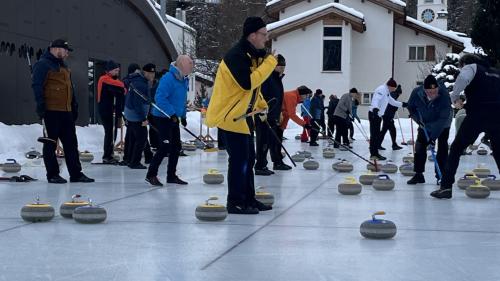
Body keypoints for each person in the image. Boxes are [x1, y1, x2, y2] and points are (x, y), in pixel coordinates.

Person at [206, 16, 276, 214]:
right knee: (239, 161)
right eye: (264, 34)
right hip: (230, 118)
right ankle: (235, 201)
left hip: (244, 118)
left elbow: (250, 91)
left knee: (249, 159)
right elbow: (247, 83)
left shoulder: (251, 55)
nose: (266, 38)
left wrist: (261, 104)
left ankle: (249, 199)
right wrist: (269, 64)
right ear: (252, 35)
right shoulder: (235, 56)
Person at [431, 54, 500, 199]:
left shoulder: (471, 67)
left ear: (464, 64)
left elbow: (463, 78)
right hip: (497, 115)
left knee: (456, 148)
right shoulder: (496, 72)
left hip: (478, 113)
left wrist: (455, 97)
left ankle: (446, 187)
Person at [31, 38, 94, 184]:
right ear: (56, 49)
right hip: (51, 111)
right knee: (50, 143)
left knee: (71, 144)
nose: (67, 53)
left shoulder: (64, 66)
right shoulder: (43, 64)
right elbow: (37, 85)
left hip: (66, 112)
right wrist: (40, 105)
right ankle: (52, 174)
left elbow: (70, 88)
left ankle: (76, 174)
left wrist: (74, 105)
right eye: (65, 50)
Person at [145, 55, 193, 186]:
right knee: (165, 146)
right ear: (182, 65)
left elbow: (181, 100)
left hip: (173, 118)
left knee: (176, 147)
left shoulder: (184, 79)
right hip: (162, 117)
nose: (192, 67)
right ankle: (151, 174)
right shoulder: (168, 78)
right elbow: (160, 98)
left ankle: (171, 175)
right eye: (190, 64)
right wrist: (171, 113)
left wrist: (183, 116)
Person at [406, 75, 452, 185]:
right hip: (425, 123)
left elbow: (442, 119)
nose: (433, 94)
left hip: (443, 124)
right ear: (424, 90)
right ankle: (418, 174)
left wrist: (432, 138)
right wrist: (417, 119)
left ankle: (441, 176)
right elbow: (411, 107)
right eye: (430, 92)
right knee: (420, 146)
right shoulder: (417, 93)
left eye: (435, 91)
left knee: (442, 148)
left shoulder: (444, 95)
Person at [255, 54, 291, 175]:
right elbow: (261, 96)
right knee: (263, 141)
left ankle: (277, 162)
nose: (282, 68)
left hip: (274, 115)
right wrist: (262, 111)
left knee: (274, 141)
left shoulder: (278, 79)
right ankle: (260, 165)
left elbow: (278, 98)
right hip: (264, 115)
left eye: (283, 66)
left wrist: (279, 112)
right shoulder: (267, 78)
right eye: (279, 66)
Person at [123, 63, 156, 169]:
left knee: (134, 137)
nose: (152, 75)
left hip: (131, 113)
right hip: (134, 114)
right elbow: (137, 103)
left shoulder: (142, 81)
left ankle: (129, 159)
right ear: (144, 72)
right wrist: (143, 118)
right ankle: (134, 162)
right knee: (141, 137)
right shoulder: (140, 84)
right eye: (150, 73)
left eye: (153, 73)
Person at [369, 78, 408, 160]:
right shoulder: (381, 89)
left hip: (378, 115)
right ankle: (374, 154)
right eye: (393, 88)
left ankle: (375, 153)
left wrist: (403, 104)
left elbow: (392, 102)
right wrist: (375, 108)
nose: (393, 90)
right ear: (390, 86)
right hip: (374, 114)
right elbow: (376, 99)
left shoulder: (387, 92)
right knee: (374, 135)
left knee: (376, 135)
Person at [97, 60, 126, 164]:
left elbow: (122, 90)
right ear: (109, 70)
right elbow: (120, 86)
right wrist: (122, 87)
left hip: (111, 110)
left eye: (118, 70)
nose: (117, 72)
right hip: (106, 110)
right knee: (109, 132)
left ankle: (110, 153)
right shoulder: (104, 79)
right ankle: (107, 155)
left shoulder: (111, 80)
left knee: (112, 132)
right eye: (115, 70)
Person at [379, 85, 404, 151]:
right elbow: (391, 105)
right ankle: (392, 145)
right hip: (388, 116)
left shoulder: (392, 94)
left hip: (386, 115)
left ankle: (392, 144)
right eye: (400, 94)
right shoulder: (394, 95)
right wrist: (395, 108)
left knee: (388, 130)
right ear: (399, 92)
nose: (399, 95)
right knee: (389, 130)